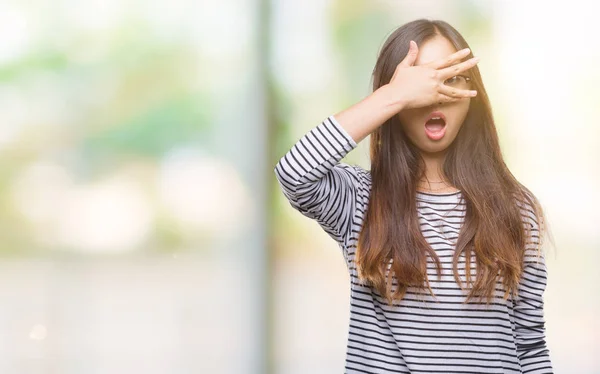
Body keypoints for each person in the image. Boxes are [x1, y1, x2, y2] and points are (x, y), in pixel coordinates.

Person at [273, 18, 553, 374]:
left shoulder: (516, 207)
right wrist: (393, 95)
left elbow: (529, 344)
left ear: (473, 95)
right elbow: (294, 172)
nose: (435, 95)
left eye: (451, 79)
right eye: (421, 83)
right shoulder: (360, 199)